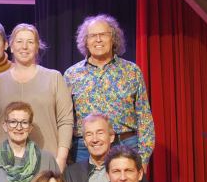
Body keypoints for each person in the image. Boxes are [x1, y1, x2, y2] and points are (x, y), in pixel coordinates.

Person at [65, 14, 155, 165]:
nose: (98, 40)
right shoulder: (71, 75)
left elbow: (144, 118)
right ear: (86, 42)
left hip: (125, 145)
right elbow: (65, 120)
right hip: (84, 149)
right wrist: (67, 157)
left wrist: (143, 159)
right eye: (92, 36)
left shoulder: (131, 71)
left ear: (113, 38)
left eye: (103, 35)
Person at [0, 23, 73, 173]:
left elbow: (65, 121)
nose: (24, 47)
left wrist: (61, 159)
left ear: (37, 48)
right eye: (19, 41)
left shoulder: (54, 78)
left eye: (30, 42)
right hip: (4, 164)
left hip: (44, 162)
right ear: (11, 47)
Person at [63, 112, 125, 182]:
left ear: (111, 137)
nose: (95, 139)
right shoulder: (71, 174)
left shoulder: (127, 171)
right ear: (85, 141)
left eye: (100, 133)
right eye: (89, 134)